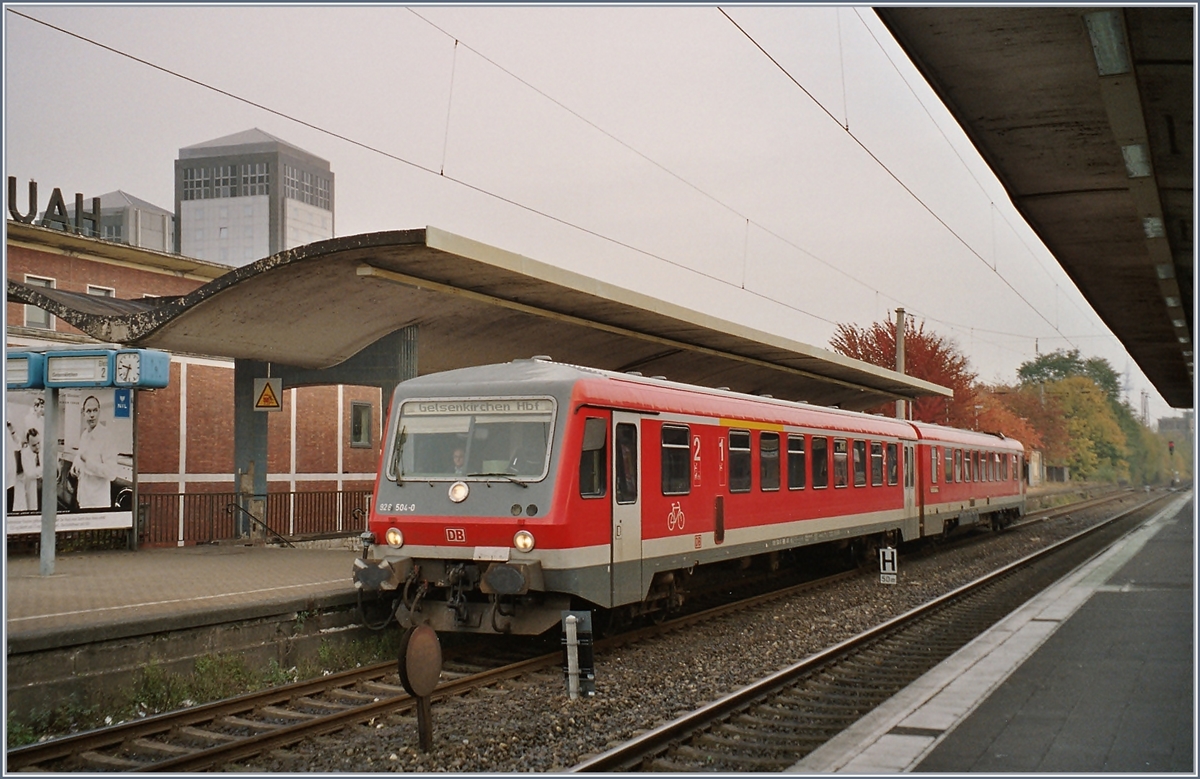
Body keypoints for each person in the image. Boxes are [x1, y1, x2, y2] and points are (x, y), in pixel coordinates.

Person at [71, 395, 119, 509]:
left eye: (95, 410)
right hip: (83, 499)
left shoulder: (107, 437)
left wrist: (88, 462)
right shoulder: (84, 435)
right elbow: (80, 457)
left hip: (98, 502)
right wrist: (74, 468)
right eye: (88, 411)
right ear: (83, 414)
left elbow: (111, 473)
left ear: (99, 411)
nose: (92, 414)